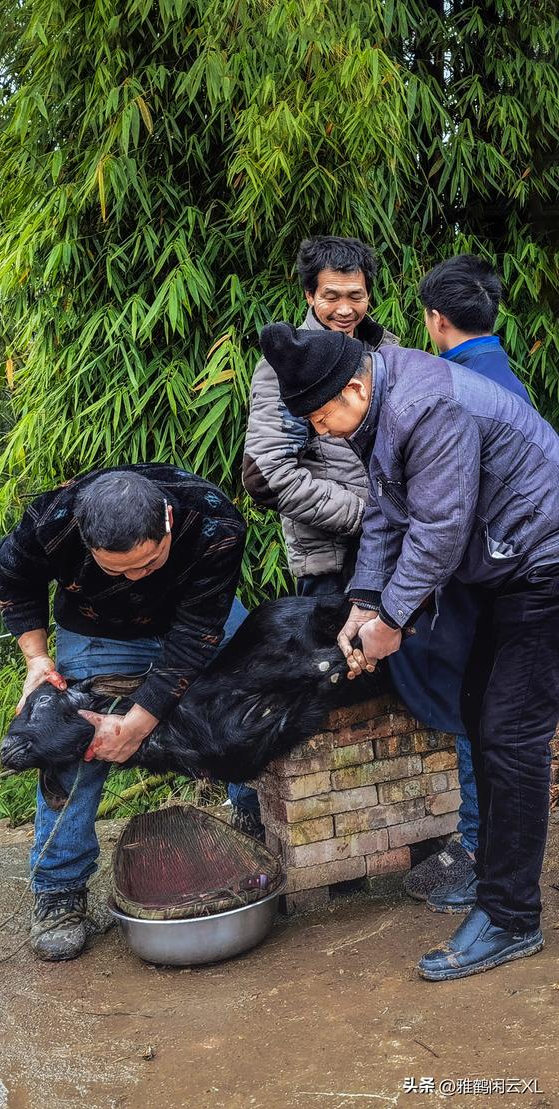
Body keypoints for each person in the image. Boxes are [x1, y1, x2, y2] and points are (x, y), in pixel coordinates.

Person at [260, 321, 559, 981]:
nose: (321, 431)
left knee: (510, 734)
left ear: (355, 385)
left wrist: (391, 620)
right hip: (507, 569)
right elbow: (387, 514)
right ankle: (499, 883)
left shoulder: (425, 406)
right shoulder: (381, 407)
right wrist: (365, 601)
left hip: (544, 561)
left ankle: (510, 916)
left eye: (320, 415)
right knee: (481, 716)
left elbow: (440, 528)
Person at [0, 465, 247, 961]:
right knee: (73, 739)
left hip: (195, 617)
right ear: (87, 545)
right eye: (118, 568)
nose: (135, 577)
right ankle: (59, 890)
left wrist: (138, 723)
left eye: (148, 562)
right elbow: (11, 575)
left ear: (168, 521)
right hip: (97, 629)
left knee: (238, 703)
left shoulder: (216, 522)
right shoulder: (53, 519)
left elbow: (195, 636)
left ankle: (252, 818)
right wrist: (37, 659)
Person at [233, 235, 398, 834]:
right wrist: (365, 514)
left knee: (395, 686)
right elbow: (272, 471)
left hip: (395, 553)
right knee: (326, 686)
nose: (345, 308)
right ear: (309, 294)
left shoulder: (386, 351)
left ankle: (392, 817)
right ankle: (317, 828)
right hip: (331, 554)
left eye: (356, 295)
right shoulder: (286, 365)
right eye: (332, 296)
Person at [397, 255, 533, 908]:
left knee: (473, 717)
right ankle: (488, 849)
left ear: (435, 320)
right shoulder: (508, 380)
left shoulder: (449, 391)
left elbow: (443, 511)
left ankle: (480, 856)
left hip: (483, 586)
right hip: (522, 576)